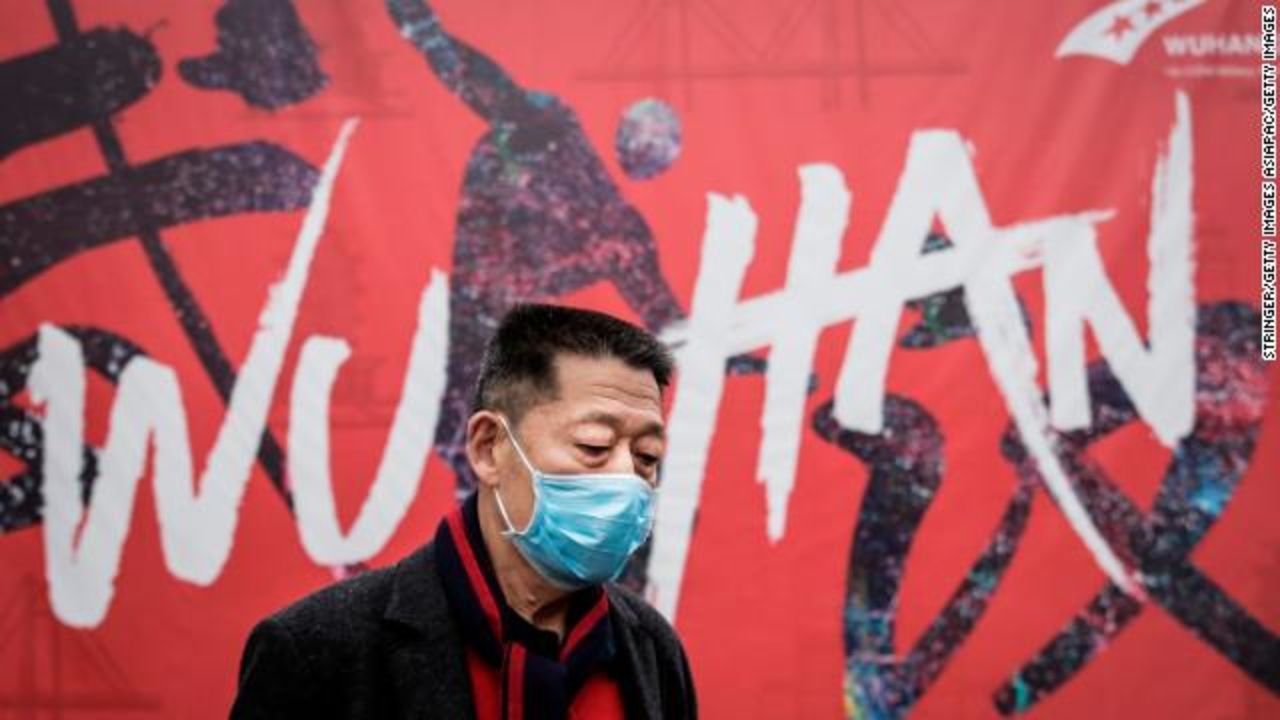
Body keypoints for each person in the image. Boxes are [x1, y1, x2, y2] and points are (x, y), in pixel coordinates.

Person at [230, 303, 697, 719]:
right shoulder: (319, 649)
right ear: (489, 447)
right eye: (593, 445)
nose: (626, 477)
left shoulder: (652, 652)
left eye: (647, 456)